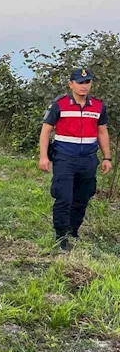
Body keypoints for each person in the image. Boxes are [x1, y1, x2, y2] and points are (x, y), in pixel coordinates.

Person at [38, 67, 112, 250]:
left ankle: (73, 229)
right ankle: (61, 235)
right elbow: (46, 131)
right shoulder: (60, 104)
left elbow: (102, 132)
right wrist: (43, 157)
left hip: (88, 158)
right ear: (71, 84)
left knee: (83, 195)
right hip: (65, 157)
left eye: (87, 82)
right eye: (80, 82)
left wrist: (107, 157)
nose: (84, 86)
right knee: (64, 197)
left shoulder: (98, 106)